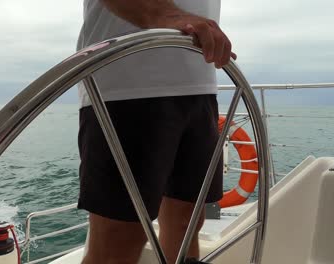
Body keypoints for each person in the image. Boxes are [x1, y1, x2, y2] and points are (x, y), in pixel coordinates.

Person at [77, 0, 236, 263]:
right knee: (118, 240)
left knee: (188, 223)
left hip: (199, 83)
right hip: (126, 84)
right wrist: (168, 15)